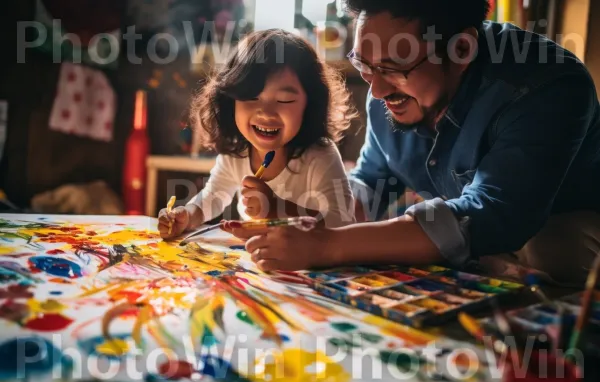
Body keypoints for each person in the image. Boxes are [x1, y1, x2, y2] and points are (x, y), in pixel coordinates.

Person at [231, 0, 600, 286]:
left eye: (393, 69)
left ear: (460, 50)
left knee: (552, 251)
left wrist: (326, 246)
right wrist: (293, 212)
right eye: (364, 65)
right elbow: (366, 194)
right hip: (482, 230)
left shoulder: (546, 84)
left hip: (562, 226)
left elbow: (494, 214)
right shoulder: (387, 95)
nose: (376, 89)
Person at [158, 29, 357, 239]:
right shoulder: (237, 151)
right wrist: (186, 216)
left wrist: (277, 208)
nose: (266, 113)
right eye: (251, 98)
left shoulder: (320, 155)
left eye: (284, 100)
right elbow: (212, 197)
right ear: (230, 101)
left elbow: (343, 222)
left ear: (310, 106)